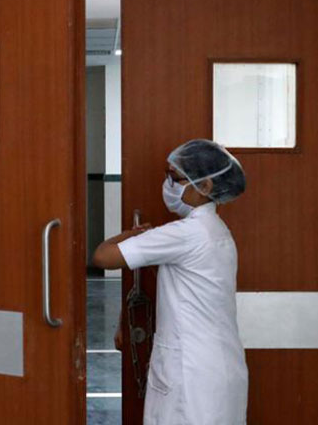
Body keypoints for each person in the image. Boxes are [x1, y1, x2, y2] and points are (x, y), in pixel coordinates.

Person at [92, 139, 248, 425]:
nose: (168, 185)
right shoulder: (216, 230)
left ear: (205, 187)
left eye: (174, 178)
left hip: (191, 370)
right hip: (218, 364)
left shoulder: (186, 233)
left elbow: (102, 257)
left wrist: (130, 234)